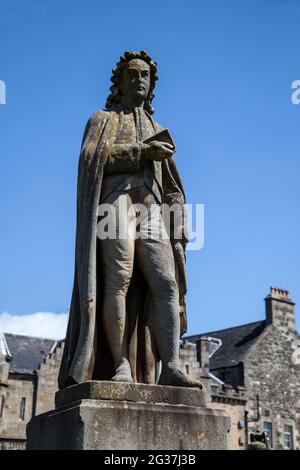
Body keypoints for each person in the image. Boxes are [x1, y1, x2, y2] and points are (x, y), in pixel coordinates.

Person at [58, 50, 201, 389]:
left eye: (145, 76)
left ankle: (172, 367)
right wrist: (140, 152)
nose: (139, 80)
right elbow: (92, 158)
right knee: (118, 279)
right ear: (120, 82)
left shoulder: (159, 127)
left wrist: (180, 229)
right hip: (114, 201)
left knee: (166, 283)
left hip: (151, 209)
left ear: (152, 86)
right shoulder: (103, 119)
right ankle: (121, 364)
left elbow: (172, 186)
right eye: (132, 75)